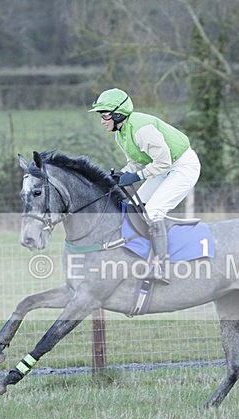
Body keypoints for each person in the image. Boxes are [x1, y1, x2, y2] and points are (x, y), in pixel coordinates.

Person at [89, 88, 201, 284]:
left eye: (105, 116)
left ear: (118, 114)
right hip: (162, 168)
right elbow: (137, 161)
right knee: (134, 208)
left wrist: (136, 176)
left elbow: (163, 162)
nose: (102, 121)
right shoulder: (120, 133)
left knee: (153, 211)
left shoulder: (142, 129)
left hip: (182, 166)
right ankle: (138, 255)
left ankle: (162, 266)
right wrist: (121, 174)